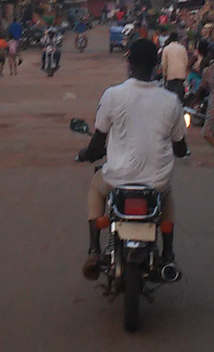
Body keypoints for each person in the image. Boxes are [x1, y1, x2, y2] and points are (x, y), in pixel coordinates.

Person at [77, 38, 188, 277]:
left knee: (96, 189)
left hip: (118, 179)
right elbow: (180, 148)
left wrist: (86, 154)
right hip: (155, 181)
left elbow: (97, 146)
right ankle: (168, 254)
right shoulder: (171, 101)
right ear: (157, 65)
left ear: (129, 63)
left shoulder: (112, 95)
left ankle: (94, 250)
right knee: (166, 196)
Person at [159, 33, 190, 100]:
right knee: (179, 96)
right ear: (177, 39)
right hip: (181, 75)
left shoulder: (166, 49)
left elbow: (164, 64)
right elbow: (186, 62)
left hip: (171, 75)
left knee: (170, 95)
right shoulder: (182, 48)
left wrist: (164, 74)